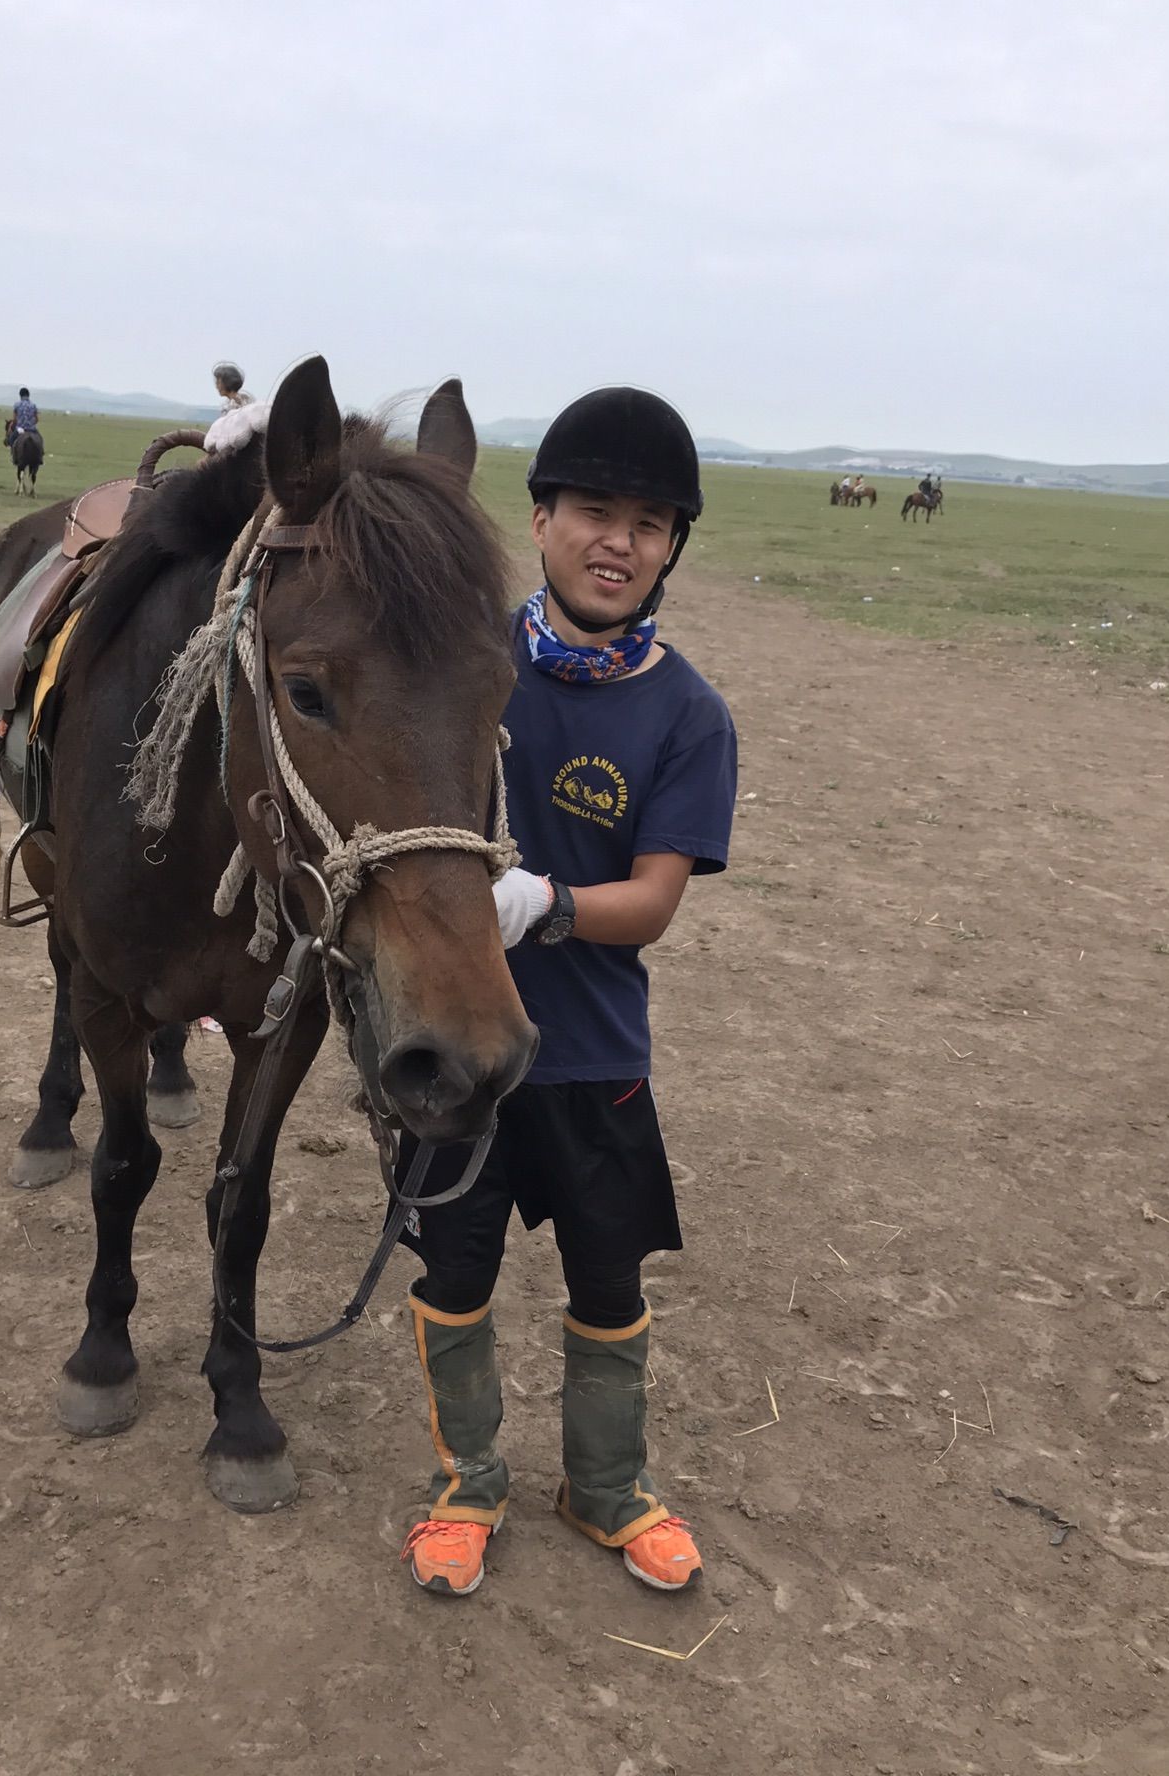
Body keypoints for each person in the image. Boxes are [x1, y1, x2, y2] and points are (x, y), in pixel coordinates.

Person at [398, 386, 738, 1599]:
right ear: (538, 520)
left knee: (609, 1281)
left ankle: (604, 1487)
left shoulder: (687, 714)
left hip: (594, 1050)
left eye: (651, 524)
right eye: (595, 510)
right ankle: (466, 1487)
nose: (621, 541)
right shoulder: (458, 663)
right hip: (458, 1047)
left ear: (670, 550)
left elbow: (652, 902)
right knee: (456, 1275)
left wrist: (539, 902)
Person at [204, 359, 270, 454]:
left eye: (218, 382)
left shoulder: (237, 402)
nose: (216, 386)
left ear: (226, 383)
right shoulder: (232, 402)